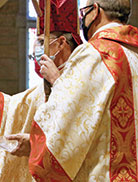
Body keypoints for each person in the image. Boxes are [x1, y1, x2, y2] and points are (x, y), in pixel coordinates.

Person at [0, 0, 82, 181]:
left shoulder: (82, 79)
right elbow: (12, 107)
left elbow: (80, 128)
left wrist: (57, 81)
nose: (37, 50)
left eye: (40, 41)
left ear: (61, 43)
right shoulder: (42, 88)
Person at [28, 0, 138, 181]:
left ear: (94, 11)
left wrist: (35, 142)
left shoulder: (94, 54)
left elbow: (65, 124)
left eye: (84, 12)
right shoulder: (134, 53)